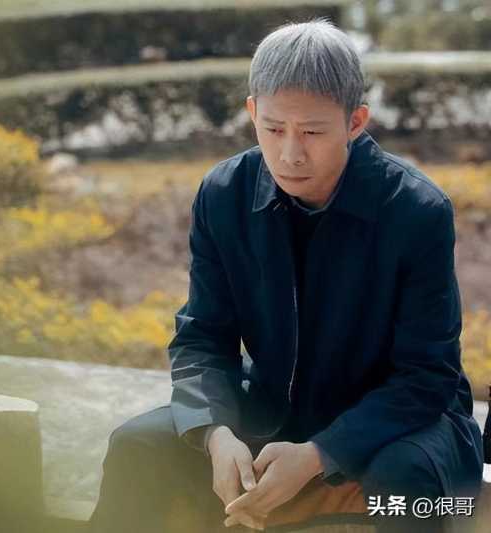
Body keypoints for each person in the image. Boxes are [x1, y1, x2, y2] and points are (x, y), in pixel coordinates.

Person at [87, 19, 484, 533]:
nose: (291, 153)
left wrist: (320, 453)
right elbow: (203, 337)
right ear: (252, 112)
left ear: (355, 122)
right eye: (273, 129)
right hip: (277, 408)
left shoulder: (416, 209)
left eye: (313, 132)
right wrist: (215, 433)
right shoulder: (224, 194)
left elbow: (427, 377)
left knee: (404, 482)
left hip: (402, 424)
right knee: (136, 445)